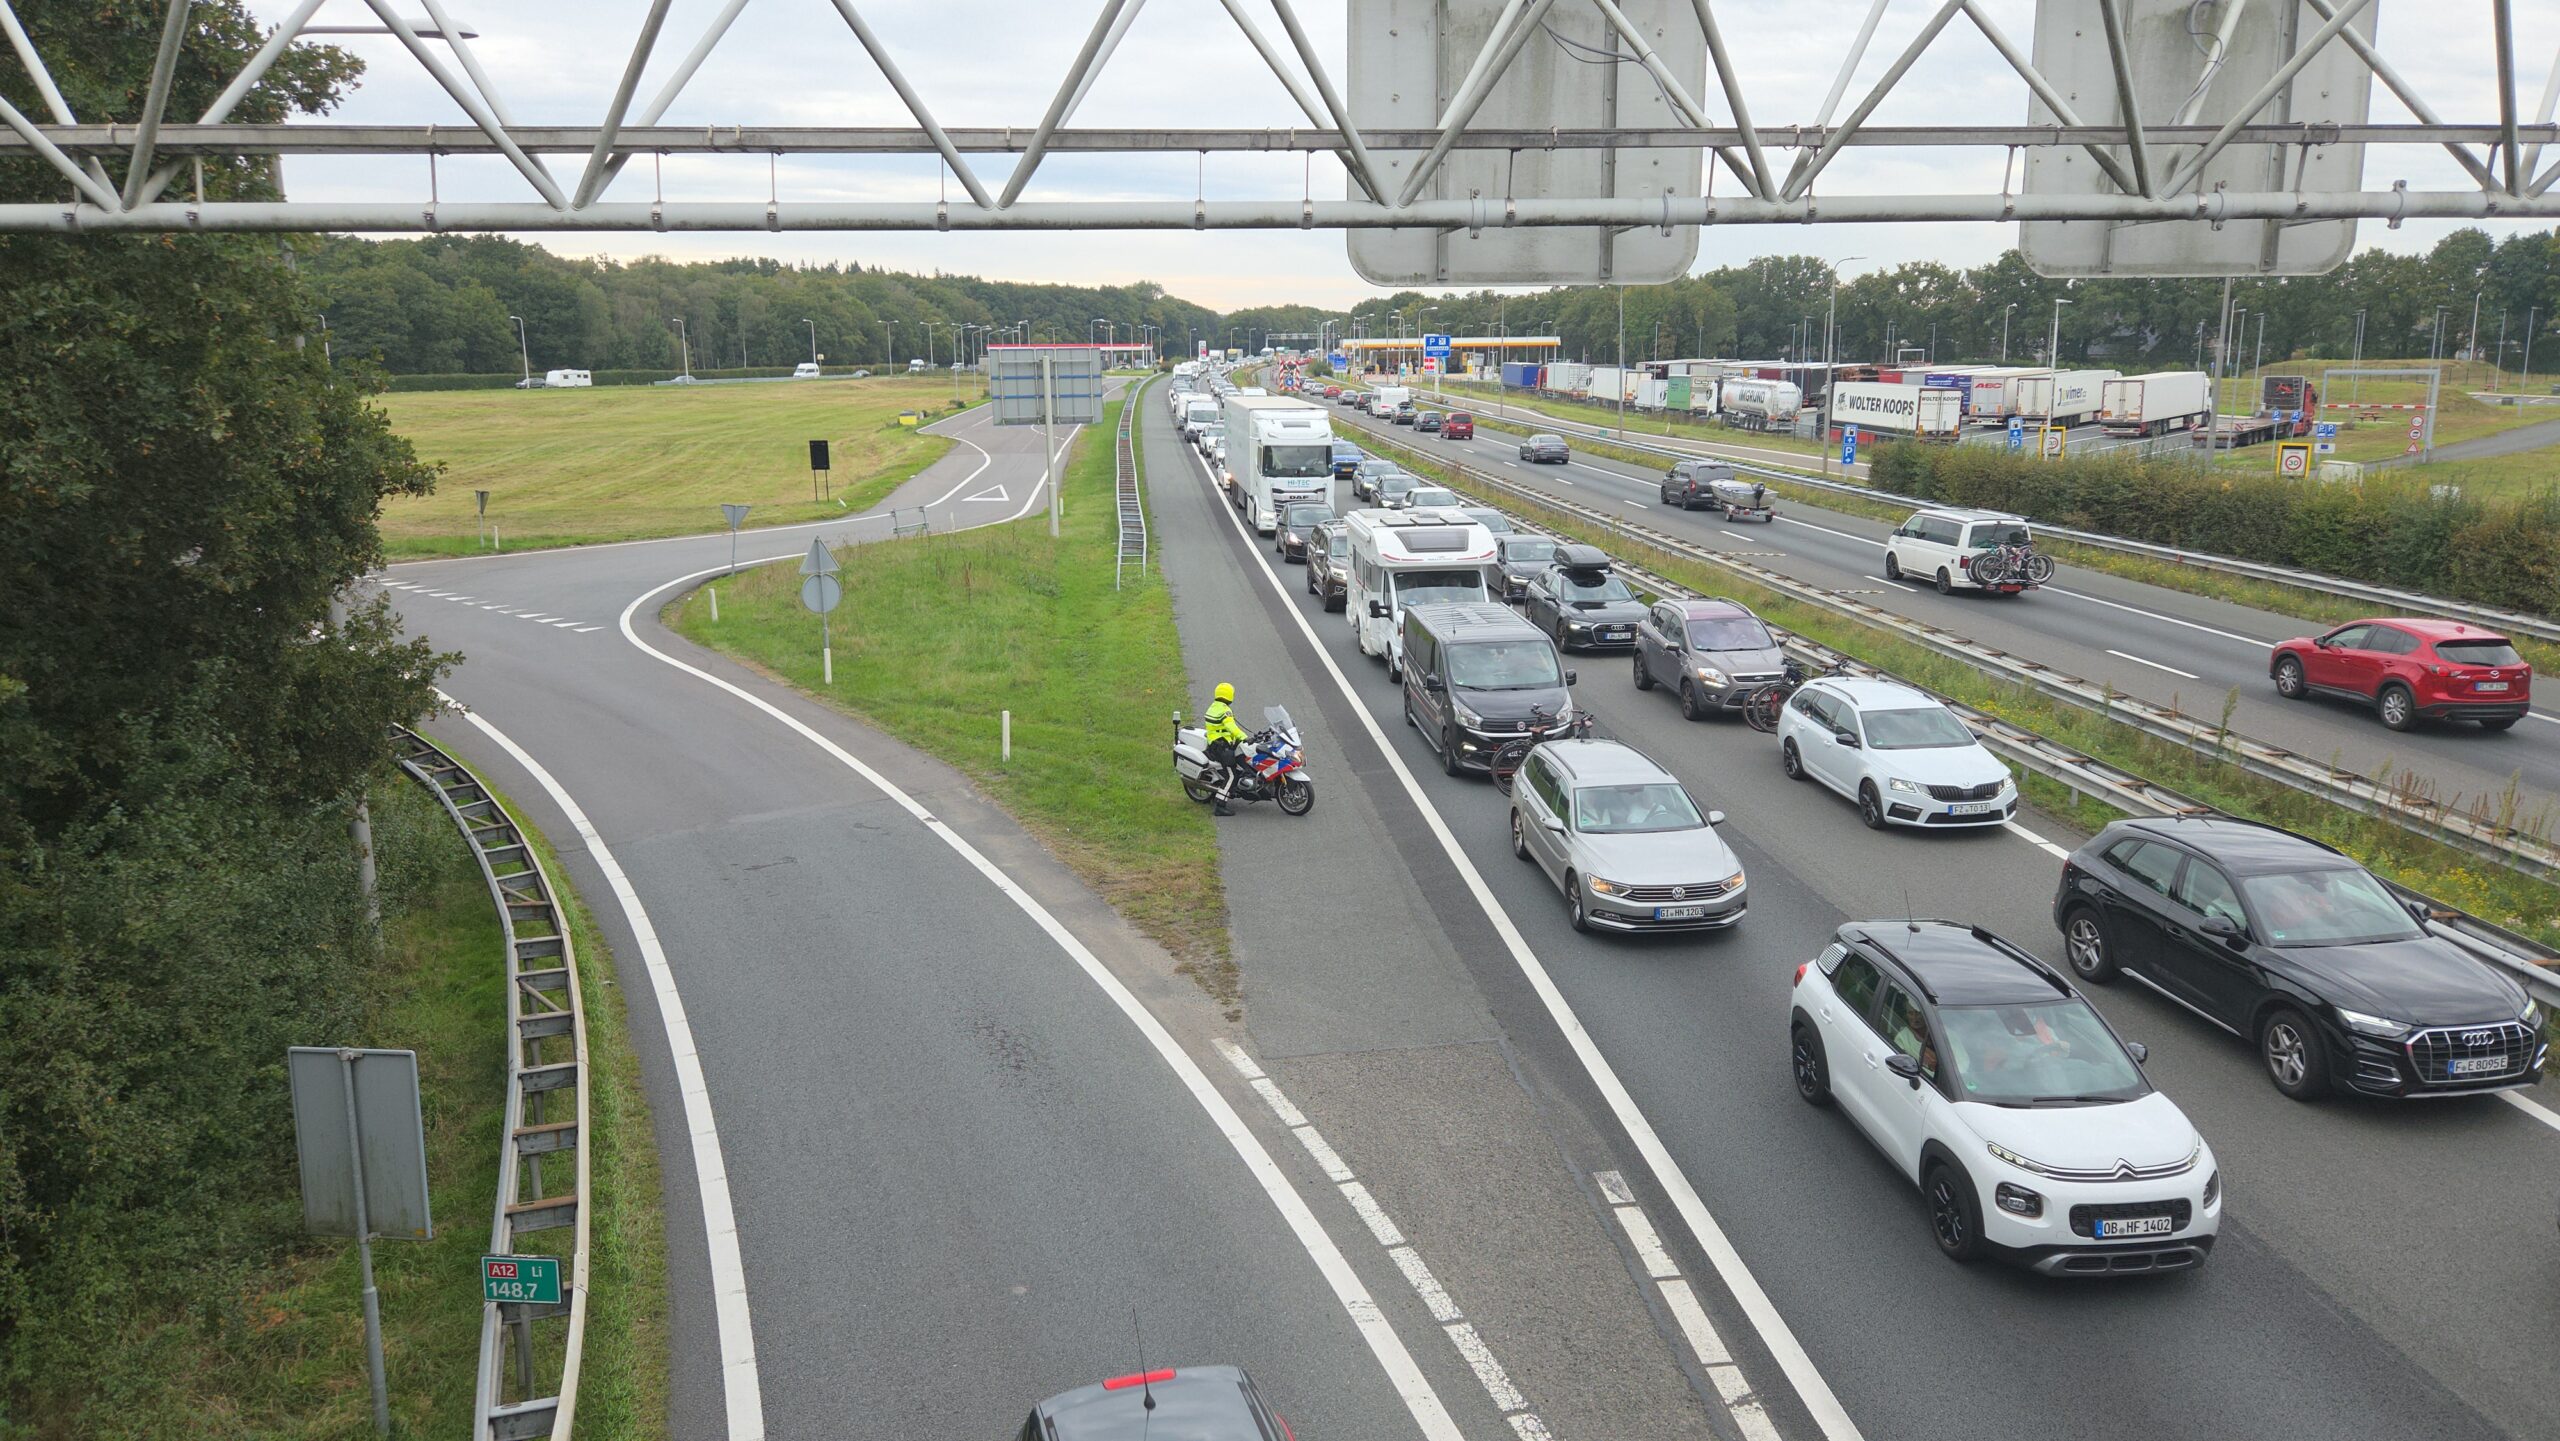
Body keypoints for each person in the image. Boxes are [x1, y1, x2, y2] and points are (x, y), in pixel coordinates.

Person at [1202, 681, 1249, 816]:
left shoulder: (1213, 706)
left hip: (1216, 744)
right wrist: (1244, 737)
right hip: (1221, 748)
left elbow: (1223, 729)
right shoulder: (1225, 710)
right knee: (1231, 776)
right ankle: (1220, 805)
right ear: (1229, 695)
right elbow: (1231, 727)